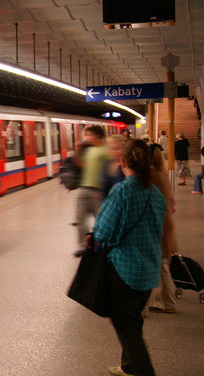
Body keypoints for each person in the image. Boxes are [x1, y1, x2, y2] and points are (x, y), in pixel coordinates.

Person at [91, 139, 166, 376]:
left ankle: (144, 371)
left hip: (125, 271)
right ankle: (129, 367)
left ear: (123, 162)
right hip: (149, 272)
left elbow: (102, 232)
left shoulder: (122, 190)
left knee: (125, 325)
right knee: (133, 320)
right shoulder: (155, 192)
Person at [148, 144, 178, 314]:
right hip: (166, 223)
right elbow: (173, 203)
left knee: (160, 265)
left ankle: (167, 302)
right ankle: (165, 301)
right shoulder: (162, 174)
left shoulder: (150, 175)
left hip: (158, 225)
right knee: (161, 264)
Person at [74, 125, 110, 257]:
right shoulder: (89, 150)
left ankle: (101, 244)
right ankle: (84, 246)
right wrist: (78, 151)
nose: (86, 138)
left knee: (100, 220)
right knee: (79, 219)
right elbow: (81, 165)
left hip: (98, 191)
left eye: (88, 135)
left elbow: (109, 171)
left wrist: (104, 190)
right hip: (84, 189)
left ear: (96, 135)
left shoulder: (106, 151)